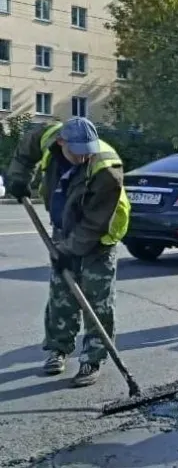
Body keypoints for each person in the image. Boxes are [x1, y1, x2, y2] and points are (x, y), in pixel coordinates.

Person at [5, 117, 130, 387]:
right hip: (64, 226)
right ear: (60, 142)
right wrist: (18, 177)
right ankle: (57, 350)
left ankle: (93, 358)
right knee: (61, 293)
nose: (85, 156)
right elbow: (26, 151)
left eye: (89, 149)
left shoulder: (107, 170)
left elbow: (95, 223)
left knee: (97, 299)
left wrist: (69, 250)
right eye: (78, 151)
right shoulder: (47, 135)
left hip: (100, 235)